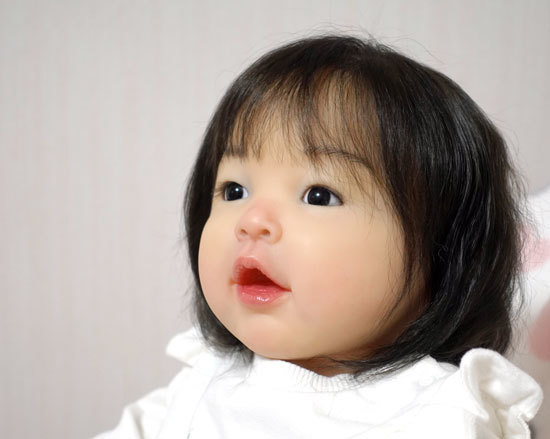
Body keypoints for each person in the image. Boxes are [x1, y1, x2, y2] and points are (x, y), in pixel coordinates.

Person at [94, 35, 543, 438]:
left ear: (442, 256)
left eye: (319, 195)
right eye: (234, 191)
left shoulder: (444, 413)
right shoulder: (199, 385)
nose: (252, 220)